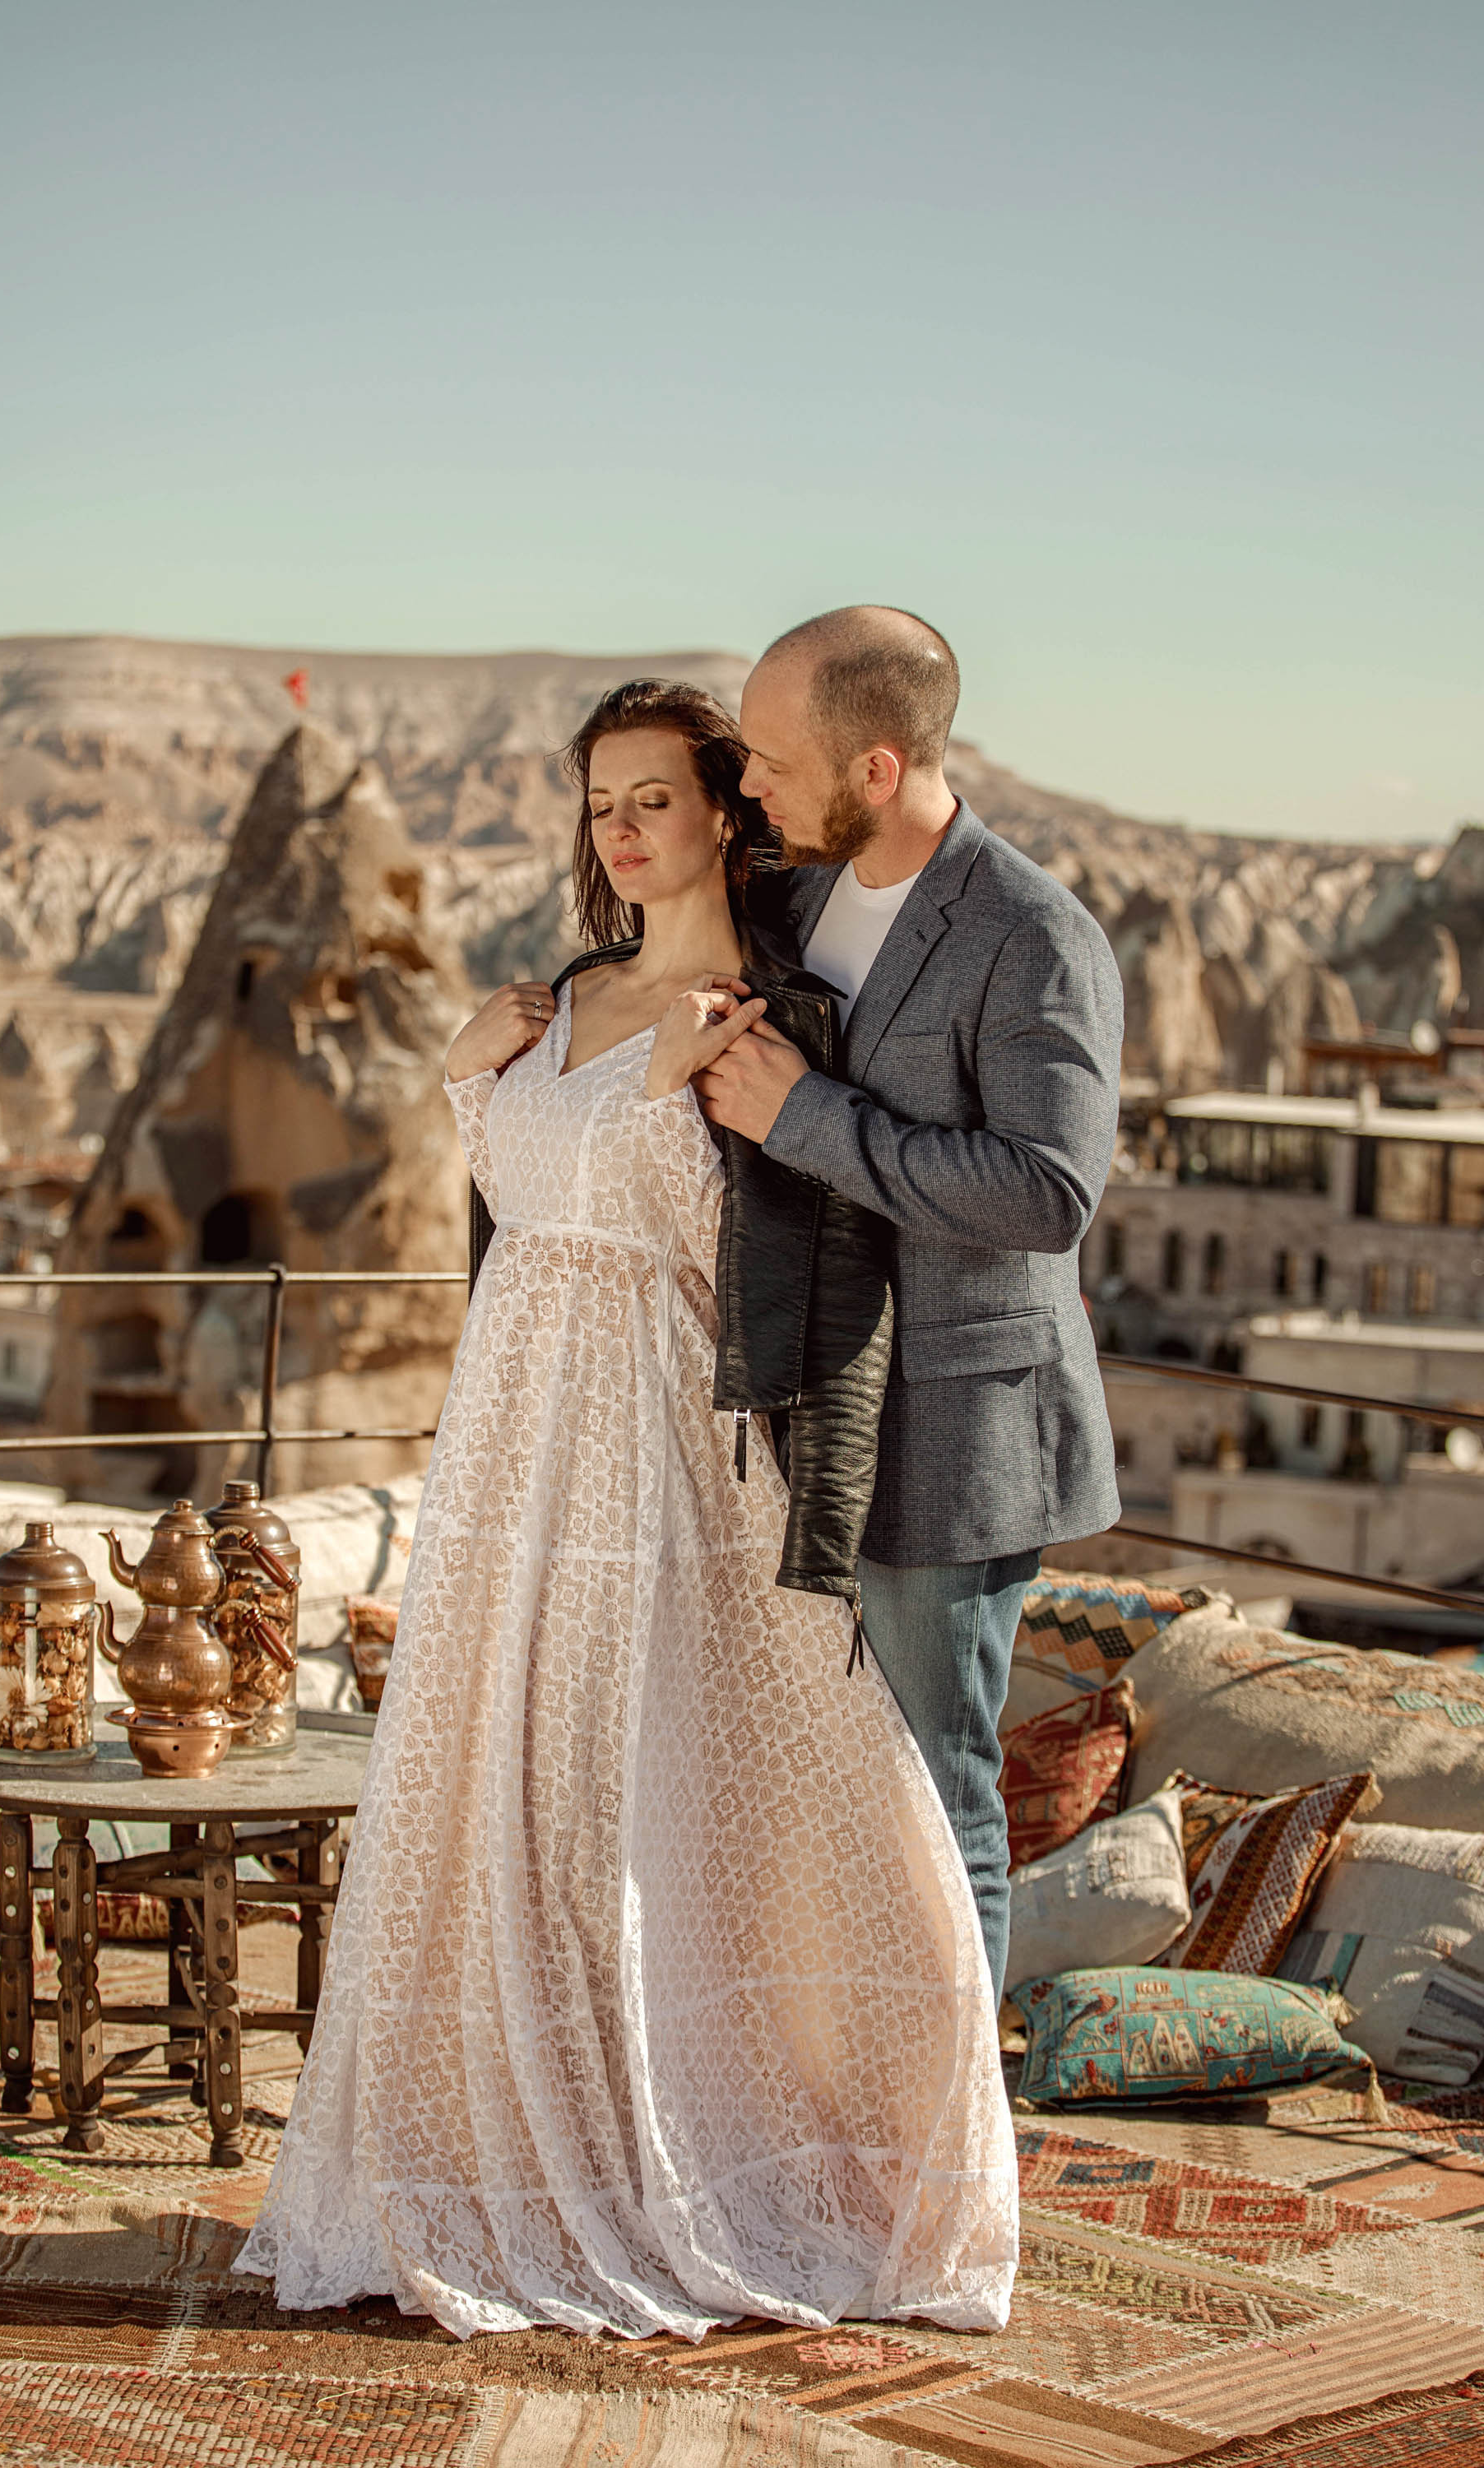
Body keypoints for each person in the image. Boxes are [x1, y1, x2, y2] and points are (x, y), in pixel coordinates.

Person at [236, 678, 1017, 2340]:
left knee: (628, 1781)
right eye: (602, 802)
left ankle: (709, 2149)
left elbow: (754, 1261)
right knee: (497, 1771)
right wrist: (467, 1081)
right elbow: (531, 1202)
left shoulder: (765, 1020)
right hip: (506, 1434)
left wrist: (683, 1089)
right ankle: (487, 2155)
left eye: (654, 797)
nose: (622, 829)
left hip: (645, 1444)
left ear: (728, 811)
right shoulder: (565, 995)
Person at [693, 607, 1125, 2003]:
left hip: (952, 1423)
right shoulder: (796, 898)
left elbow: (1046, 1193)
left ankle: (953, 2127)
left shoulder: (1032, 935)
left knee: (938, 1800)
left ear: (876, 768)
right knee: (830, 1789)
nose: (748, 785)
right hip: (813, 1406)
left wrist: (807, 1118)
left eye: (773, 761)